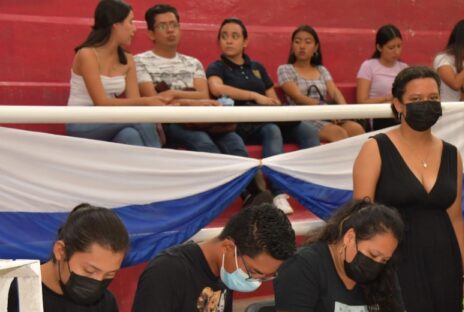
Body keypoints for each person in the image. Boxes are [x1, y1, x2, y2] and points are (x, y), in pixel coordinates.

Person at [353, 66, 464, 312]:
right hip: (396, 265)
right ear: (398, 104)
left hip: (444, 263)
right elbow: (361, 219)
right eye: (416, 100)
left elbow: (455, 218)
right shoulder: (375, 148)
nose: (426, 106)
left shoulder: (453, 154)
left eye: (432, 99)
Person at [119, 204, 296, 312]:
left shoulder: (226, 270)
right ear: (228, 248)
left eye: (265, 277)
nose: (255, 281)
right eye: (254, 272)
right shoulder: (167, 271)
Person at [206, 17, 320, 215]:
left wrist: (273, 104)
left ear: (245, 42)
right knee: (272, 129)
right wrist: (254, 96)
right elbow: (215, 88)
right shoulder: (217, 67)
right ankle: (278, 193)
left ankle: (315, 186)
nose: (229, 41)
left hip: (266, 116)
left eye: (235, 36)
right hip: (242, 123)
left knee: (307, 129)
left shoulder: (257, 67)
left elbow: (272, 97)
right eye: (224, 37)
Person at [274, 200, 423, 312]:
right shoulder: (303, 265)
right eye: (372, 254)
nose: (377, 264)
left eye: (384, 260)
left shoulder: (383, 270)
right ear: (349, 237)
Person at [134, 4, 248, 157]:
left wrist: (174, 94)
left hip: (202, 119)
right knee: (204, 144)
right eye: (162, 26)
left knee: (236, 145)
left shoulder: (193, 63)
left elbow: (203, 95)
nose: (170, 30)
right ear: (151, 34)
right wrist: (190, 101)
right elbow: (157, 101)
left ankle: (247, 181)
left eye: (174, 25)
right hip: (171, 123)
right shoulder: (140, 62)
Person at [66, 0, 165, 147]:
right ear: (116, 25)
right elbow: (101, 102)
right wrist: (146, 102)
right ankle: (161, 164)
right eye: (131, 22)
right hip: (81, 121)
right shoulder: (87, 54)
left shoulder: (128, 59)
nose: (135, 29)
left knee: (130, 136)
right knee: (140, 118)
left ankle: (142, 168)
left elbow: (134, 101)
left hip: (110, 119)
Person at [277, 25, 366, 143]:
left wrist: (344, 111)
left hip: (326, 114)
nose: (302, 46)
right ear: (292, 46)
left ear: (316, 47)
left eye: (307, 42)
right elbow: (297, 97)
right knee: (337, 133)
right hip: (304, 117)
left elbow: (334, 92)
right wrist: (326, 110)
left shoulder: (321, 70)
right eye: (297, 42)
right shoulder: (285, 69)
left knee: (357, 129)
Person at [356, 24, 408, 131]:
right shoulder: (368, 66)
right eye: (391, 48)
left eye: (399, 46)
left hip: (399, 112)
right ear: (379, 47)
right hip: (378, 116)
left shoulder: (404, 68)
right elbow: (362, 101)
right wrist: (385, 99)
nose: (397, 52)